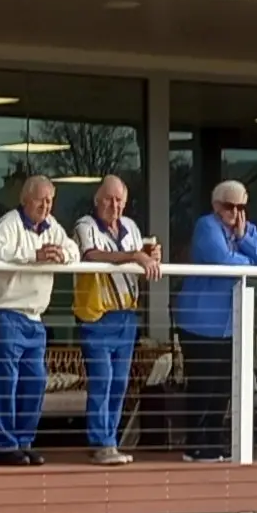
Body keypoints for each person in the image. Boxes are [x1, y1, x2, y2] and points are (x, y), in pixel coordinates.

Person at [173, 180, 257, 463]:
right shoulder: (206, 226)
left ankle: (214, 440)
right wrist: (249, 261)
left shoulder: (243, 229)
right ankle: (195, 444)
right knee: (203, 383)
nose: (235, 212)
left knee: (223, 385)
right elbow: (222, 260)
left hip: (230, 323)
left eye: (241, 207)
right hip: (201, 321)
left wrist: (244, 238)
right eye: (229, 207)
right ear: (216, 206)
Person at [0, 175, 79, 466]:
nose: (46, 206)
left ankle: (24, 441)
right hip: (4, 312)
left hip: (34, 317)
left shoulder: (52, 226)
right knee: (5, 383)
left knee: (35, 381)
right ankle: (5, 446)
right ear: (26, 200)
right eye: (40, 200)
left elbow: (73, 250)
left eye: (50, 201)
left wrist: (60, 254)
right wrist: (33, 255)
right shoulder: (8, 223)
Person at [72, 175, 161, 466]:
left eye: (119, 200)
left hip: (126, 315)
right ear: (97, 201)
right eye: (109, 199)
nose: (115, 205)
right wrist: (136, 255)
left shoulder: (132, 227)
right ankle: (101, 443)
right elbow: (92, 255)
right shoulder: (85, 225)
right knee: (102, 379)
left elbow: (138, 261)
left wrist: (149, 257)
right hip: (96, 314)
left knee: (120, 382)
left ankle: (110, 440)